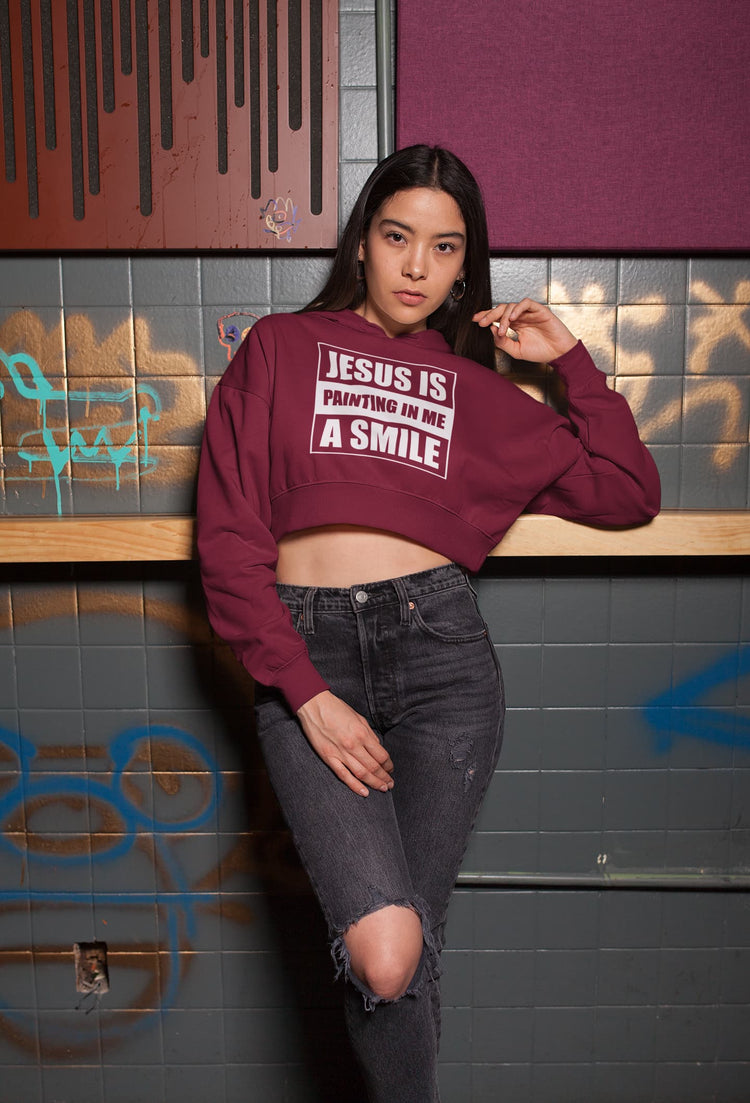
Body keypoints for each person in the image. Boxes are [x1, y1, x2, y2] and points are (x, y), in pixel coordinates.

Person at [196, 145, 660, 1102]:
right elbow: (230, 537)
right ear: (363, 243)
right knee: (388, 950)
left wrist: (567, 358)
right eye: (398, 237)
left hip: (442, 659)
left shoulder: (480, 395)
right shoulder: (282, 349)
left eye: (445, 248)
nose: (416, 266)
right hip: (309, 655)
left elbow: (628, 490)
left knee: (408, 956)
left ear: (464, 268)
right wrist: (307, 694)